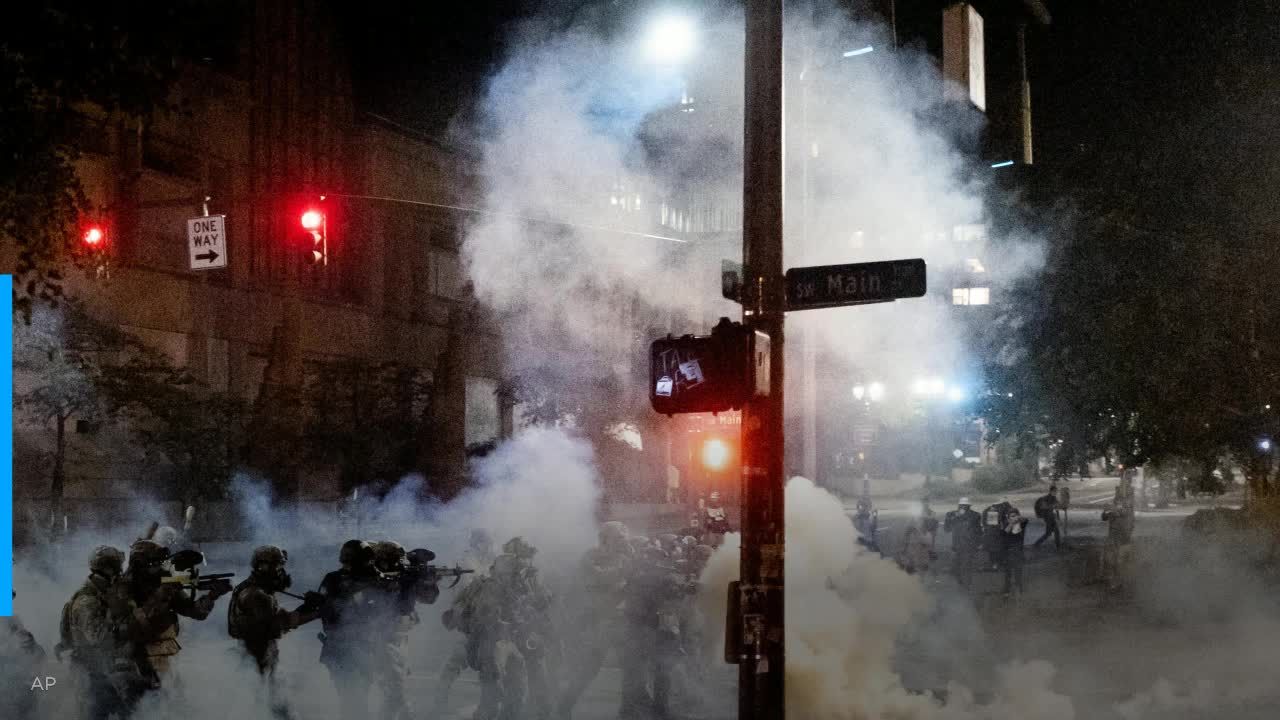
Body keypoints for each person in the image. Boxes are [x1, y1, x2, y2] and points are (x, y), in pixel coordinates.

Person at [227, 545, 321, 718]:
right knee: (275, 707)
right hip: (258, 655)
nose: (280, 572)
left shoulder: (252, 588)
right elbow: (278, 625)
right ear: (263, 566)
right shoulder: (257, 594)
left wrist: (306, 607)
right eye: (277, 567)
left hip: (254, 654)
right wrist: (315, 612)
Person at [124, 538, 231, 689]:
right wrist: (162, 594)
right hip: (137, 660)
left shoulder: (165, 584)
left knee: (173, 699)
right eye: (154, 562)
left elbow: (195, 611)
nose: (160, 566)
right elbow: (135, 626)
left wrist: (212, 596)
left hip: (163, 658)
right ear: (141, 564)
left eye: (160, 562)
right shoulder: (124, 589)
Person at [558, 521, 633, 718]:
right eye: (617, 538)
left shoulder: (625, 558)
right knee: (589, 669)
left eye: (622, 538)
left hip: (620, 619)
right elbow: (598, 579)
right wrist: (624, 570)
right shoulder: (591, 556)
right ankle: (565, 706)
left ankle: (628, 711)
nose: (621, 542)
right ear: (605, 538)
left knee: (632, 668)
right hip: (597, 620)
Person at [58, 546, 140, 720]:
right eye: (117, 567)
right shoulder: (87, 601)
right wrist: (130, 625)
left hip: (105, 672)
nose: (120, 572)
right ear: (109, 569)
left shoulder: (102, 595)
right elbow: (101, 638)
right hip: (91, 675)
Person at [317, 540, 385, 720]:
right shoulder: (335, 580)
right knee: (352, 696)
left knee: (356, 695)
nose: (370, 564)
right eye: (366, 560)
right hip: (343, 646)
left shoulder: (370, 580)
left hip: (360, 646)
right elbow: (323, 607)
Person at [436, 529, 496, 713]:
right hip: (468, 619)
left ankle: (486, 707)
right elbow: (467, 590)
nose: (489, 546)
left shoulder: (486, 560)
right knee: (456, 660)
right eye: (486, 543)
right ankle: (439, 702)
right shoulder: (466, 561)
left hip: (483, 619)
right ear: (478, 544)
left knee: (486, 663)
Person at [1101, 487, 1136, 590]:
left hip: (1121, 539)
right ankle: (1113, 581)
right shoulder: (1113, 510)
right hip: (1112, 538)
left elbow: (1124, 514)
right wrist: (1105, 511)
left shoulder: (1124, 507)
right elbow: (1104, 518)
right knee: (1111, 561)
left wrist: (1115, 511)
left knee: (1118, 562)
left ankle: (1118, 581)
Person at [943, 498, 982, 587]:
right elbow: (946, 529)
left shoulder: (975, 515)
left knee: (966, 564)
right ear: (959, 506)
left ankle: (967, 583)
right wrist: (952, 518)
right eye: (961, 506)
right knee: (958, 565)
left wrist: (979, 543)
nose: (963, 508)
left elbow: (978, 531)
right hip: (958, 544)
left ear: (969, 506)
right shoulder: (952, 514)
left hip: (968, 545)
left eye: (965, 506)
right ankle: (961, 582)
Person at [1001, 508, 1030, 597]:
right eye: (1011, 516)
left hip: (1018, 551)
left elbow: (1026, 519)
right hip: (1008, 552)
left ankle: (1019, 589)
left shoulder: (1021, 524)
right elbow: (1005, 532)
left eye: (1015, 515)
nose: (1013, 517)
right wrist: (1011, 522)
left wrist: (1018, 518)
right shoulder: (1006, 524)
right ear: (1008, 517)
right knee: (1008, 573)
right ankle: (1007, 590)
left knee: (1018, 572)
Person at [982, 498, 1014, 570]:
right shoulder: (1002, 509)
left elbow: (984, 523)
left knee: (992, 549)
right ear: (1002, 504)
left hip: (989, 532)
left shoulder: (987, 509)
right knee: (1000, 548)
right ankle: (998, 563)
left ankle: (994, 563)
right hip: (997, 532)